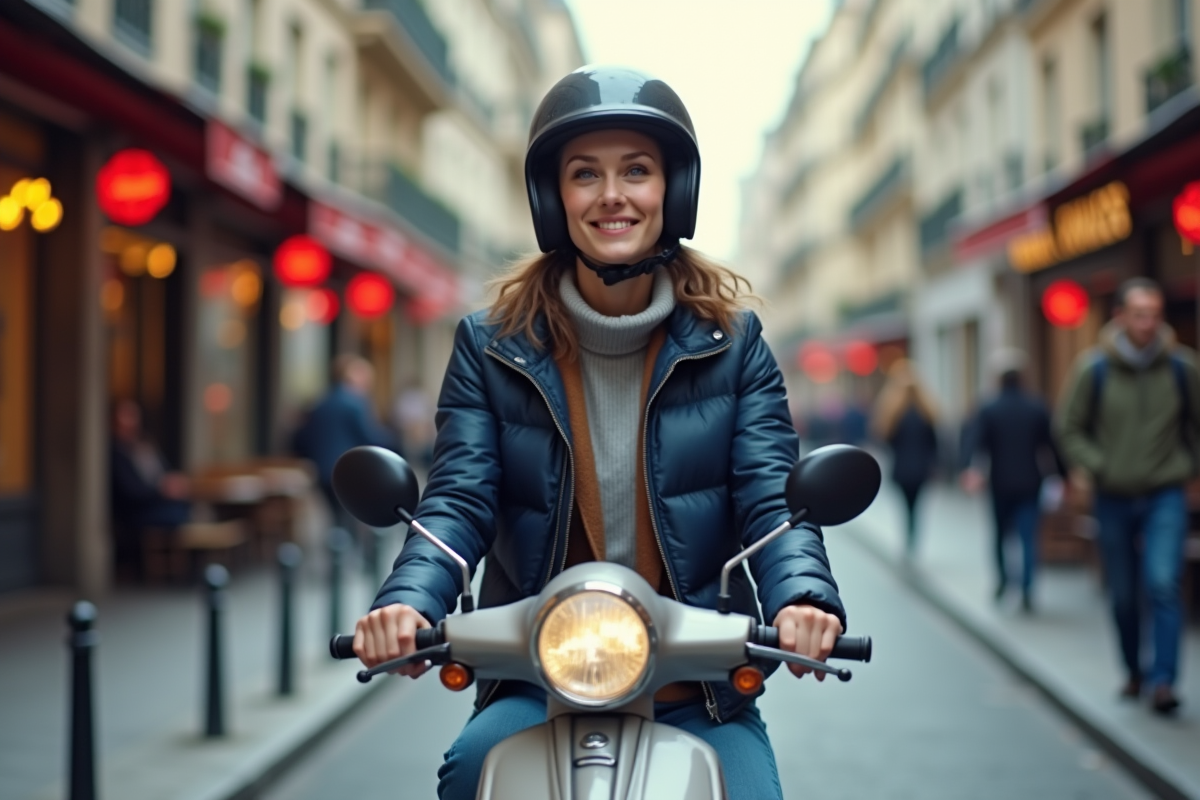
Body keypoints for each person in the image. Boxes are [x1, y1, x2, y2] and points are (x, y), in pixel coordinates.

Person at [351, 66, 845, 800]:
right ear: (554, 198)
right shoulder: (492, 344)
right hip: (538, 680)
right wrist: (410, 600)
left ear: (672, 191)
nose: (613, 195)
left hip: (697, 686)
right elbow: (459, 495)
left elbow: (773, 496)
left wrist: (803, 597)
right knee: (469, 773)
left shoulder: (732, 343)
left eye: (637, 171)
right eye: (586, 174)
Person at [1056, 277, 1200, 715]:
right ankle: (1134, 671)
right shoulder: (1093, 368)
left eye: (1155, 314)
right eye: (1139, 314)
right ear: (1120, 316)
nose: (1148, 323)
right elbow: (1069, 428)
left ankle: (1164, 682)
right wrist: (1099, 465)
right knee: (1122, 593)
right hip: (1113, 497)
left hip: (1164, 495)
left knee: (1162, 583)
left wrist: (1189, 468)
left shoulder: (1182, 367)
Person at [960, 350, 1065, 611]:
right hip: (1031, 482)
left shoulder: (989, 407)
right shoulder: (1037, 406)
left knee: (999, 536)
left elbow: (974, 442)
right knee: (1028, 537)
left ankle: (1004, 581)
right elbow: (1052, 445)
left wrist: (969, 469)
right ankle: (1028, 588)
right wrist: (1063, 475)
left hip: (1000, 483)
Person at [292, 354, 400, 522]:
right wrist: (395, 442)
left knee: (337, 516)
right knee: (351, 518)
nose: (367, 382)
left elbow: (301, 437)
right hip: (348, 470)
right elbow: (370, 437)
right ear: (350, 376)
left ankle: (338, 541)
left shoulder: (320, 402)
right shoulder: (355, 402)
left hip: (323, 470)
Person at [110, 399, 191, 575]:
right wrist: (161, 490)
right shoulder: (116, 452)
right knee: (177, 515)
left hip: (158, 502)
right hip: (137, 510)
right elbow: (129, 491)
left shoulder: (145, 445)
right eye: (125, 417)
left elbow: (164, 471)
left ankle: (182, 567)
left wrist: (173, 483)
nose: (130, 422)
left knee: (185, 507)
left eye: (133, 416)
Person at [871, 359, 939, 554]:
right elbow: (934, 444)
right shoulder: (926, 413)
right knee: (917, 505)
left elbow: (885, 441)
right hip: (921, 469)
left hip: (901, 469)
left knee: (906, 506)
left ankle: (908, 537)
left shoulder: (893, 414)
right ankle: (913, 536)